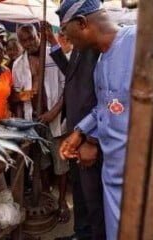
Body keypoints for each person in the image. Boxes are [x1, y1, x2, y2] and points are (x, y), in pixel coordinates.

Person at [56, 1, 153, 239]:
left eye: (67, 33)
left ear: (82, 23)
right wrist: (80, 132)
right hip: (115, 182)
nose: (67, 41)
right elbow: (106, 108)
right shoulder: (100, 63)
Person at [43, 20, 106, 240]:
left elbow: (105, 101)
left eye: (66, 27)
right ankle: (81, 232)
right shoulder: (80, 49)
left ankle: (93, 234)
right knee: (79, 190)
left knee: (92, 195)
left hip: (88, 134)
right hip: (75, 131)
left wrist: (91, 138)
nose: (64, 34)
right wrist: (53, 43)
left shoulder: (96, 50)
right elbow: (71, 74)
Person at [12, 24, 70, 222]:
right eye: (24, 41)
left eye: (32, 38)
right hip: (34, 121)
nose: (29, 43)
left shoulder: (54, 55)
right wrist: (23, 122)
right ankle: (46, 195)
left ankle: (62, 201)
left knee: (60, 163)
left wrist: (54, 112)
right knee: (41, 163)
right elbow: (17, 96)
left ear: (39, 35)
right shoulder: (18, 64)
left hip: (55, 119)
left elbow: (67, 87)